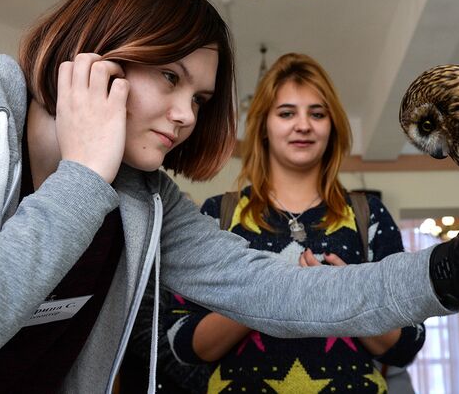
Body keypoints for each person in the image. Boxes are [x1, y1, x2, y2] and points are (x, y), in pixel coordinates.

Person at [0, 0, 459, 392]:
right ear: (97, 48)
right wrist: (83, 177)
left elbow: (276, 290)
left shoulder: (143, 197)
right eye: (170, 78)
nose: (185, 116)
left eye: (199, 97)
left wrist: (445, 272)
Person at [147, 53, 424, 393]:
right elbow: (183, 344)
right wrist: (267, 291)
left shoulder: (369, 215)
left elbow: (407, 344)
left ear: (332, 125)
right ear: (263, 125)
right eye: (287, 113)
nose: (303, 125)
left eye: (317, 114)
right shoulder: (219, 213)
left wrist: (342, 294)